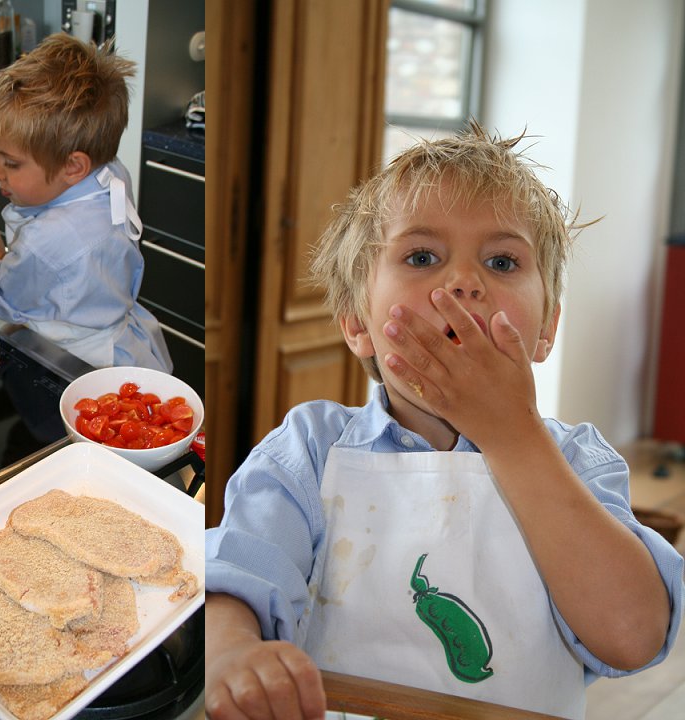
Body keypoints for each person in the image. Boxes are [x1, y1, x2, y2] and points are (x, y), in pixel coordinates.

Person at [202, 125, 683, 719]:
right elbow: (239, 571)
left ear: (546, 328)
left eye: (502, 261)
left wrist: (513, 436)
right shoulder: (309, 450)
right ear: (357, 321)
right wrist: (227, 651)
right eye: (422, 256)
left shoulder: (579, 463)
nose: (463, 282)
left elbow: (633, 636)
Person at [0, 34, 171, 372]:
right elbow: (17, 130)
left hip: (76, 364)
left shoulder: (48, 240)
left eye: (10, 163)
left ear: (73, 166)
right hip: (124, 338)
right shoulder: (108, 170)